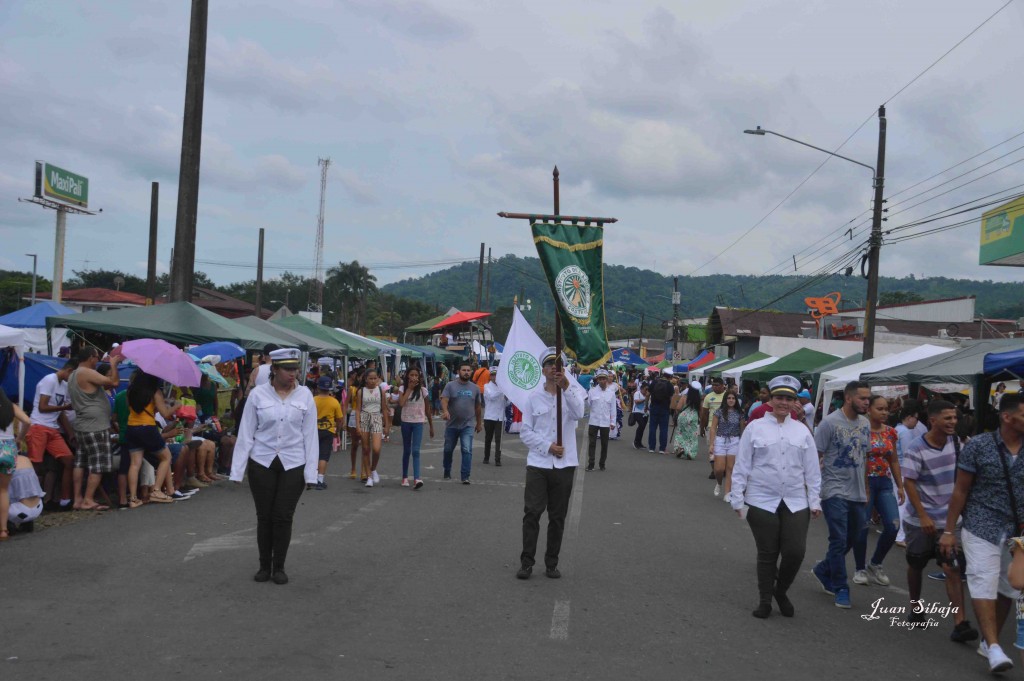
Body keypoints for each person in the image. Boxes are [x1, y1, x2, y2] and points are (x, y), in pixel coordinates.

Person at [941, 393, 1024, 673]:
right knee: (982, 579)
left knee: (1008, 587)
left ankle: (991, 642)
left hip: (1017, 530)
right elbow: (960, 490)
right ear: (1007, 416)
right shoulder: (978, 446)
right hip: (980, 524)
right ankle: (995, 648)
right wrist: (949, 530)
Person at [731, 375, 821, 618]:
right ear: (770, 400)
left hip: (795, 500)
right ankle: (765, 600)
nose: (784, 402)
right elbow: (742, 464)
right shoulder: (755, 428)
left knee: (795, 552)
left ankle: (781, 591)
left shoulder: (801, 431)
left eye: (789, 398)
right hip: (761, 498)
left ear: (795, 402)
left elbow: (812, 469)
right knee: (768, 552)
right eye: (779, 397)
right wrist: (737, 497)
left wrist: (815, 500)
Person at [231, 348, 317, 585]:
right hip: (262, 461)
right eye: (288, 369)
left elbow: (310, 436)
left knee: (283, 515)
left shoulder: (305, 395)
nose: (293, 374)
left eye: (295, 369)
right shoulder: (258, 395)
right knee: (265, 516)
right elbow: (246, 432)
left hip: (294, 462)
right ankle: (263, 566)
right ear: (274, 370)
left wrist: (312, 474)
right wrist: (237, 471)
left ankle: (279, 566)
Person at [901, 400, 978, 643]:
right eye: (948, 418)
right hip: (919, 519)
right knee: (916, 563)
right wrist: (923, 515)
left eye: (955, 418)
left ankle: (960, 623)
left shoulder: (958, 443)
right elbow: (909, 482)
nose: (953, 422)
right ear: (932, 420)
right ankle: (915, 606)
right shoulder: (916, 448)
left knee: (952, 566)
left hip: (949, 518)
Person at [517, 348, 587, 580]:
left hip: (565, 465)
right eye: (548, 365)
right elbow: (525, 432)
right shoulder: (533, 398)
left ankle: (551, 562)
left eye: (557, 365)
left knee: (557, 517)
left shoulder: (572, 393)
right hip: (539, 463)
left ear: (563, 368)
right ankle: (527, 562)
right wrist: (548, 446)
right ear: (542, 369)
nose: (552, 369)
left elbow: (579, 413)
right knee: (532, 513)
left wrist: (567, 388)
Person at [811, 380, 870, 609]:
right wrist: (814, 493)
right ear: (848, 398)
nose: (867, 402)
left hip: (857, 492)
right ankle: (841, 587)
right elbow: (815, 457)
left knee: (854, 538)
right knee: (838, 539)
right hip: (834, 490)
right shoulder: (829, 423)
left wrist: (865, 490)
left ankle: (823, 568)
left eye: (868, 398)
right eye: (863, 398)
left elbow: (863, 459)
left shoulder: (865, 423)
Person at [851, 395, 905, 586]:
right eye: (880, 409)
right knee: (862, 527)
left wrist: (900, 486)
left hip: (884, 483)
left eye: (886, 409)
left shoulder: (891, 432)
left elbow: (894, 460)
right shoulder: (860, 431)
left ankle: (875, 563)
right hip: (863, 483)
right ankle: (859, 568)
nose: (884, 412)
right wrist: (863, 486)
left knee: (893, 525)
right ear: (869, 410)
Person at [67, 346, 121, 511]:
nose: (98, 361)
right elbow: (114, 383)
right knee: (99, 463)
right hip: (95, 425)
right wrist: (113, 364)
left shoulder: (74, 374)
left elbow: (97, 388)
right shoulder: (86, 372)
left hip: (82, 424)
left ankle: (77, 498)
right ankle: (88, 499)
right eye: (97, 358)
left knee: (80, 462)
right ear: (91, 357)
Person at [25, 359, 77, 510]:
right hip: (39, 426)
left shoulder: (64, 385)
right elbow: (42, 407)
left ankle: (64, 500)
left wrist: (70, 433)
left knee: (69, 460)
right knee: (35, 465)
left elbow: (61, 413)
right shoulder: (49, 380)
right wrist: (65, 406)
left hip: (53, 429)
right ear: (69, 370)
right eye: (72, 376)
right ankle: (30, 502)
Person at [125, 371, 179, 509]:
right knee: (166, 457)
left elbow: (130, 408)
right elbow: (165, 413)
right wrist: (176, 406)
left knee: (135, 464)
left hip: (131, 427)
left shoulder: (131, 391)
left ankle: (133, 499)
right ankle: (156, 490)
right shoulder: (154, 392)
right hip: (147, 427)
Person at [440, 361, 483, 484]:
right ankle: (447, 470)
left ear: (472, 372)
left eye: (468, 370)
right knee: (448, 449)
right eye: (464, 370)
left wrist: (479, 423)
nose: (466, 372)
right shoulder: (450, 385)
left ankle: (465, 476)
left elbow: (478, 407)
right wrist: (445, 411)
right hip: (451, 424)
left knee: (467, 449)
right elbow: (444, 399)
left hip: (467, 425)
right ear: (458, 372)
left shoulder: (475, 388)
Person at [1, 390, 32, 540]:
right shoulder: (10, 406)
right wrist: (19, 438)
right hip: (8, 447)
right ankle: (3, 530)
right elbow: (27, 421)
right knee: (3, 491)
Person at [353, 369, 391, 488]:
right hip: (364, 417)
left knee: (376, 448)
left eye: (375, 378)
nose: (373, 381)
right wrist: (358, 425)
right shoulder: (361, 392)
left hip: (376, 417)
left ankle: (373, 469)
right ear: (365, 379)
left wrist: (387, 425)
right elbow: (358, 409)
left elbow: (384, 409)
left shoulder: (380, 390)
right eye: (371, 378)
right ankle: (368, 476)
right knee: (365, 448)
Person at [399, 366, 433, 489]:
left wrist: (431, 426)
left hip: (419, 422)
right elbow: (401, 403)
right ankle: (404, 477)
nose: (414, 377)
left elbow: (427, 409)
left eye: (416, 375)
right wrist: (409, 389)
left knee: (416, 450)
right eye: (411, 375)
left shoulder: (423, 391)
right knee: (407, 450)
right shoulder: (403, 388)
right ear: (407, 376)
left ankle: (417, 478)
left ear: (419, 377)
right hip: (406, 422)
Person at [709, 391, 746, 502]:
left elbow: (742, 430)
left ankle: (727, 493)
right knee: (719, 469)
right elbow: (713, 428)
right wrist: (711, 444)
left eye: (733, 398)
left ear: (736, 400)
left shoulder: (740, 413)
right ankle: (719, 482)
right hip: (720, 439)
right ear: (725, 399)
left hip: (734, 440)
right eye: (729, 398)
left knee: (730, 468)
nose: (731, 400)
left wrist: (743, 445)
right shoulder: (719, 412)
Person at [313, 376, 343, 491]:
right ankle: (320, 480)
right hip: (328, 431)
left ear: (318, 388)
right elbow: (340, 419)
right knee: (323, 456)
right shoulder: (334, 402)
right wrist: (337, 431)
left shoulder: (313, 400)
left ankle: (311, 478)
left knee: (313, 455)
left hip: (314, 431)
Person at [587, 369, 619, 471]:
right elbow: (588, 405)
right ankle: (591, 464)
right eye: (600, 379)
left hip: (605, 422)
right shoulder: (592, 391)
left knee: (604, 444)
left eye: (604, 379)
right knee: (592, 443)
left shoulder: (611, 393)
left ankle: (602, 464)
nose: (602, 381)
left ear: (607, 379)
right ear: (597, 380)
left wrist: (613, 422)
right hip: (594, 421)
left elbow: (613, 409)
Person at [482, 368, 506, 466]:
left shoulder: (503, 388)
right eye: (492, 375)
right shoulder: (487, 386)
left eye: (496, 375)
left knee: (498, 439)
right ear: (490, 376)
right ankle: (486, 457)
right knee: (488, 438)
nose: (494, 377)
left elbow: (506, 403)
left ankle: (497, 459)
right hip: (489, 416)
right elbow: (491, 397)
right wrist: (503, 390)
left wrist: (508, 397)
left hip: (500, 417)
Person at [671, 386, 701, 460]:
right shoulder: (698, 399)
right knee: (692, 435)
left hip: (683, 416)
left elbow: (678, 408)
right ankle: (690, 452)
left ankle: (680, 448)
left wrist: (676, 415)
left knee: (680, 433)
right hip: (693, 417)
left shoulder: (684, 397)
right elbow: (701, 410)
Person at [647, 373, 674, 454]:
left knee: (652, 427)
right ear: (669, 377)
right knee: (664, 429)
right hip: (665, 408)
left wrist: (646, 406)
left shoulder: (654, 382)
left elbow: (648, 394)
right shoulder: (669, 385)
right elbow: (671, 398)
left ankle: (651, 447)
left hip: (654, 407)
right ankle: (662, 448)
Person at [631, 382, 649, 450]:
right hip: (637, 412)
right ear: (641, 389)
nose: (646, 391)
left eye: (648, 390)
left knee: (643, 427)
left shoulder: (648, 395)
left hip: (645, 413)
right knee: (641, 425)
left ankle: (639, 443)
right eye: (645, 389)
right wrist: (645, 398)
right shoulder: (637, 393)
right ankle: (636, 442)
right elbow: (636, 401)